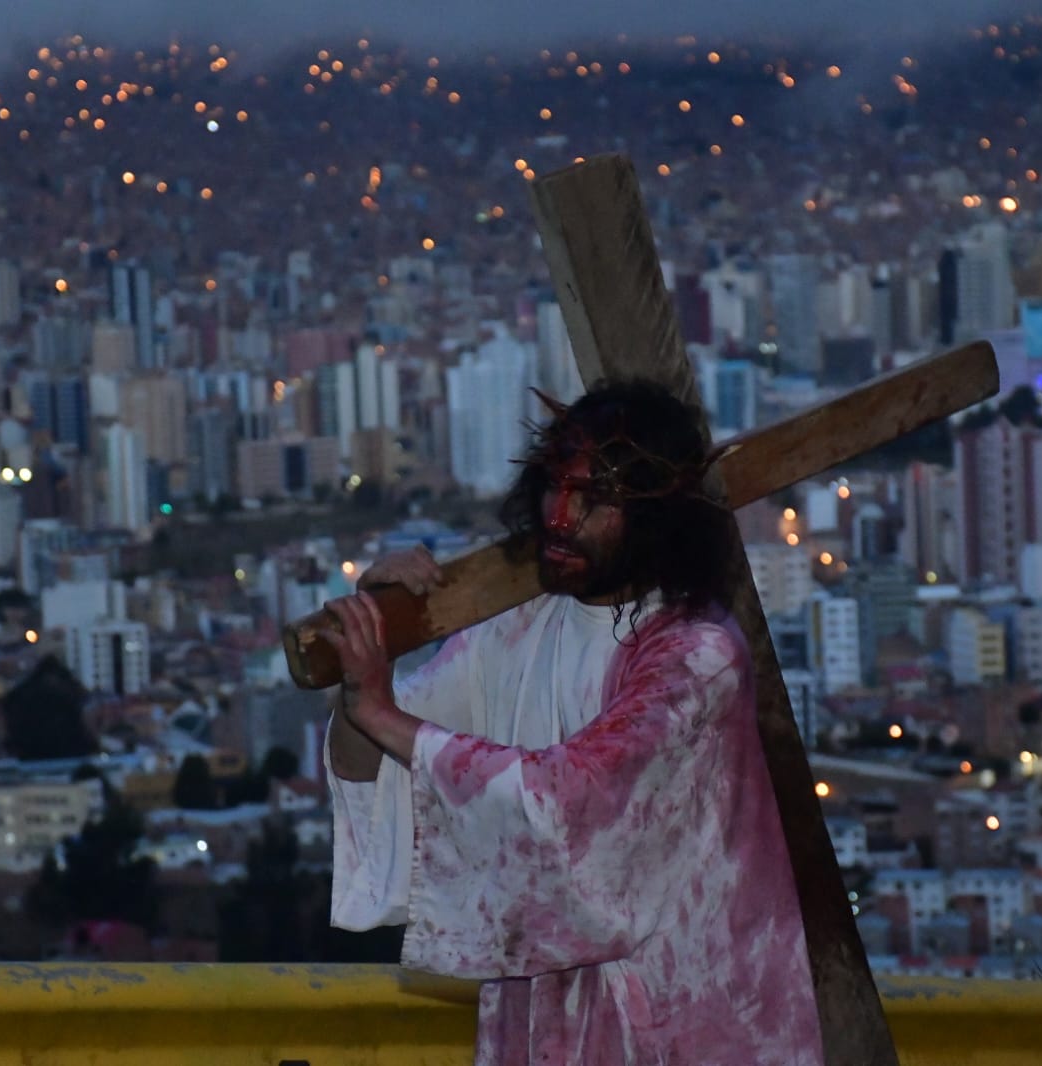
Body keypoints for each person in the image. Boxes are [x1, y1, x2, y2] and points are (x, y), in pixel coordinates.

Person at [320, 380, 825, 1065]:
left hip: (692, 1021)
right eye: (556, 486)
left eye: (594, 499)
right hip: (545, 1023)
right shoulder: (514, 628)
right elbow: (379, 762)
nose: (560, 517)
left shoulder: (697, 657)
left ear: (655, 517)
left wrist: (380, 712)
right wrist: (368, 659)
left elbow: (569, 797)